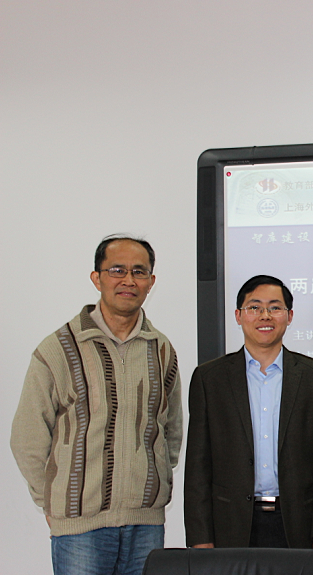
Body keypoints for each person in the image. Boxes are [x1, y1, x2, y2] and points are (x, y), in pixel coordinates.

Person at [10, 235, 182, 575]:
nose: (128, 280)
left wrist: (155, 480)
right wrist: (54, 503)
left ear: (151, 282)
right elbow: (27, 437)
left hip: (146, 526)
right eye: (117, 270)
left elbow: (171, 430)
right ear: (96, 278)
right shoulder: (59, 348)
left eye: (139, 272)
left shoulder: (161, 350)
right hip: (80, 530)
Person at [184, 275, 313, 550]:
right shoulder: (209, 378)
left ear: (289, 316)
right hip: (229, 525)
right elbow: (198, 466)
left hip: (298, 524)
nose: (265, 316)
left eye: (275, 307)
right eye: (254, 307)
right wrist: (200, 538)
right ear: (238, 315)